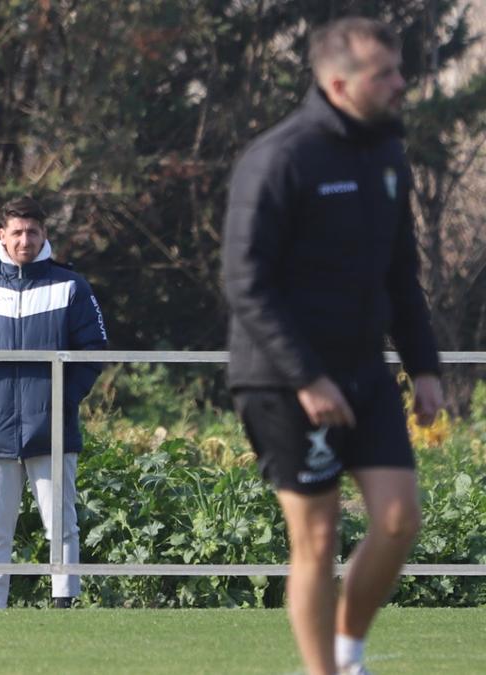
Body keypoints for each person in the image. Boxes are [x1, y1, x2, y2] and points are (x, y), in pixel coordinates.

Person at [222, 17, 443, 675]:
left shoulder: (385, 154)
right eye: (386, 74)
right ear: (341, 82)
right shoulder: (281, 157)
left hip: (363, 372)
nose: (402, 83)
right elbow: (244, 282)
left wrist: (423, 365)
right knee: (317, 536)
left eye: (399, 69)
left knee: (401, 519)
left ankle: (346, 650)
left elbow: (401, 272)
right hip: (284, 381)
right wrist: (307, 377)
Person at [0, 196, 108, 610]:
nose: (24, 240)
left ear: (44, 234)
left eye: (32, 232)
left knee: (62, 527)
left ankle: (63, 604)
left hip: (52, 430)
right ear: (2, 235)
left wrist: (64, 402)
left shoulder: (70, 285)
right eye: (16, 232)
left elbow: (93, 351)